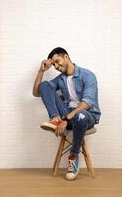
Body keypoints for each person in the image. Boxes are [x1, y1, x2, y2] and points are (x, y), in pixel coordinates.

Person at [32, 47, 101, 181]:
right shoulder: (60, 79)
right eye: (54, 65)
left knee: (80, 115)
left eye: (58, 61)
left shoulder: (87, 75)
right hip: (66, 115)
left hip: (87, 116)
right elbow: (36, 93)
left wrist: (66, 119)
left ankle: (73, 157)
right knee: (45, 85)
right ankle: (55, 118)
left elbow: (87, 102)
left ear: (66, 57)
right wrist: (41, 71)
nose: (57, 66)